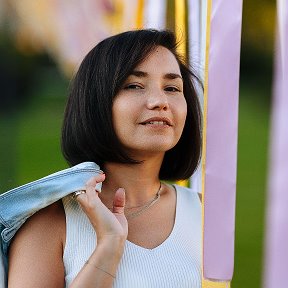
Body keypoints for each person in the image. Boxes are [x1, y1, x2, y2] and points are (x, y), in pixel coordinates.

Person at [8, 29, 202, 287]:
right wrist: (108, 248)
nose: (160, 101)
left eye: (172, 88)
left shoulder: (205, 214)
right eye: (134, 85)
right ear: (95, 101)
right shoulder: (49, 223)